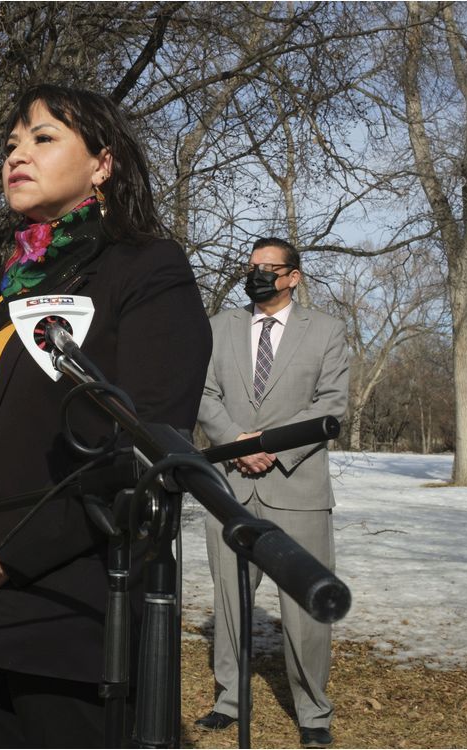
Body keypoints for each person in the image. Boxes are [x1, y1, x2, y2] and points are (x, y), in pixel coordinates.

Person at [0, 84, 212, 747]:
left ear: (102, 163)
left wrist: (9, 550)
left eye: (44, 138)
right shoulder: (1, 282)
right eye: (10, 145)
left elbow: (147, 445)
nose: (17, 155)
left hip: (71, 610)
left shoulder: (144, 268)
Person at [195, 237, 349, 748]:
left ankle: (313, 711)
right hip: (230, 485)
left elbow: (332, 405)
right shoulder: (220, 327)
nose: (257, 273)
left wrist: (273, 449)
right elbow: (204, 392)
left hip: (297, 488)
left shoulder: (325, 330)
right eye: (251, 266)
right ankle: (229, 700)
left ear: (293, 277)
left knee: (304, 606)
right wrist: (234, 441)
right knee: (231, 598)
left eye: (269, 267)